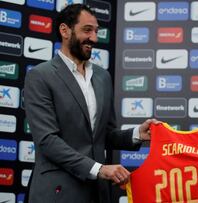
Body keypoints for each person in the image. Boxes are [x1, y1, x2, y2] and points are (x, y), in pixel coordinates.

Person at [24, 4, 157, 203]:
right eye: (87, 30)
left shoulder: (102, 77)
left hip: (98, 193)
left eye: (96, 31)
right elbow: (47, 141)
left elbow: (104, 135)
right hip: (58, 193)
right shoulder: (40, 76)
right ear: (64, 30)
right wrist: (98, 169)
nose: (94, 38)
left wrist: (138, 134)